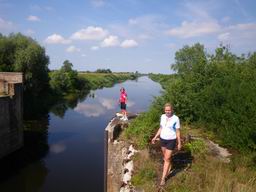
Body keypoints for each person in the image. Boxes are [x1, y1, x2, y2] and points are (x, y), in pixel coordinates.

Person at [151, 103, 181, 186]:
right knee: (165, 157)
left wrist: (179, 143)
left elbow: (178, 131)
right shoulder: (162, 117)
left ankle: (163, 178)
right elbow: (161, 128)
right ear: (164, 110)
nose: (168, 111)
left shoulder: (176, 118)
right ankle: (170, 165)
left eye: (169, 110)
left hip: (171, 140)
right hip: (162, 139)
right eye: (166, 110)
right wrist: (155, 137)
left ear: (172, 110)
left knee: (167, 158)